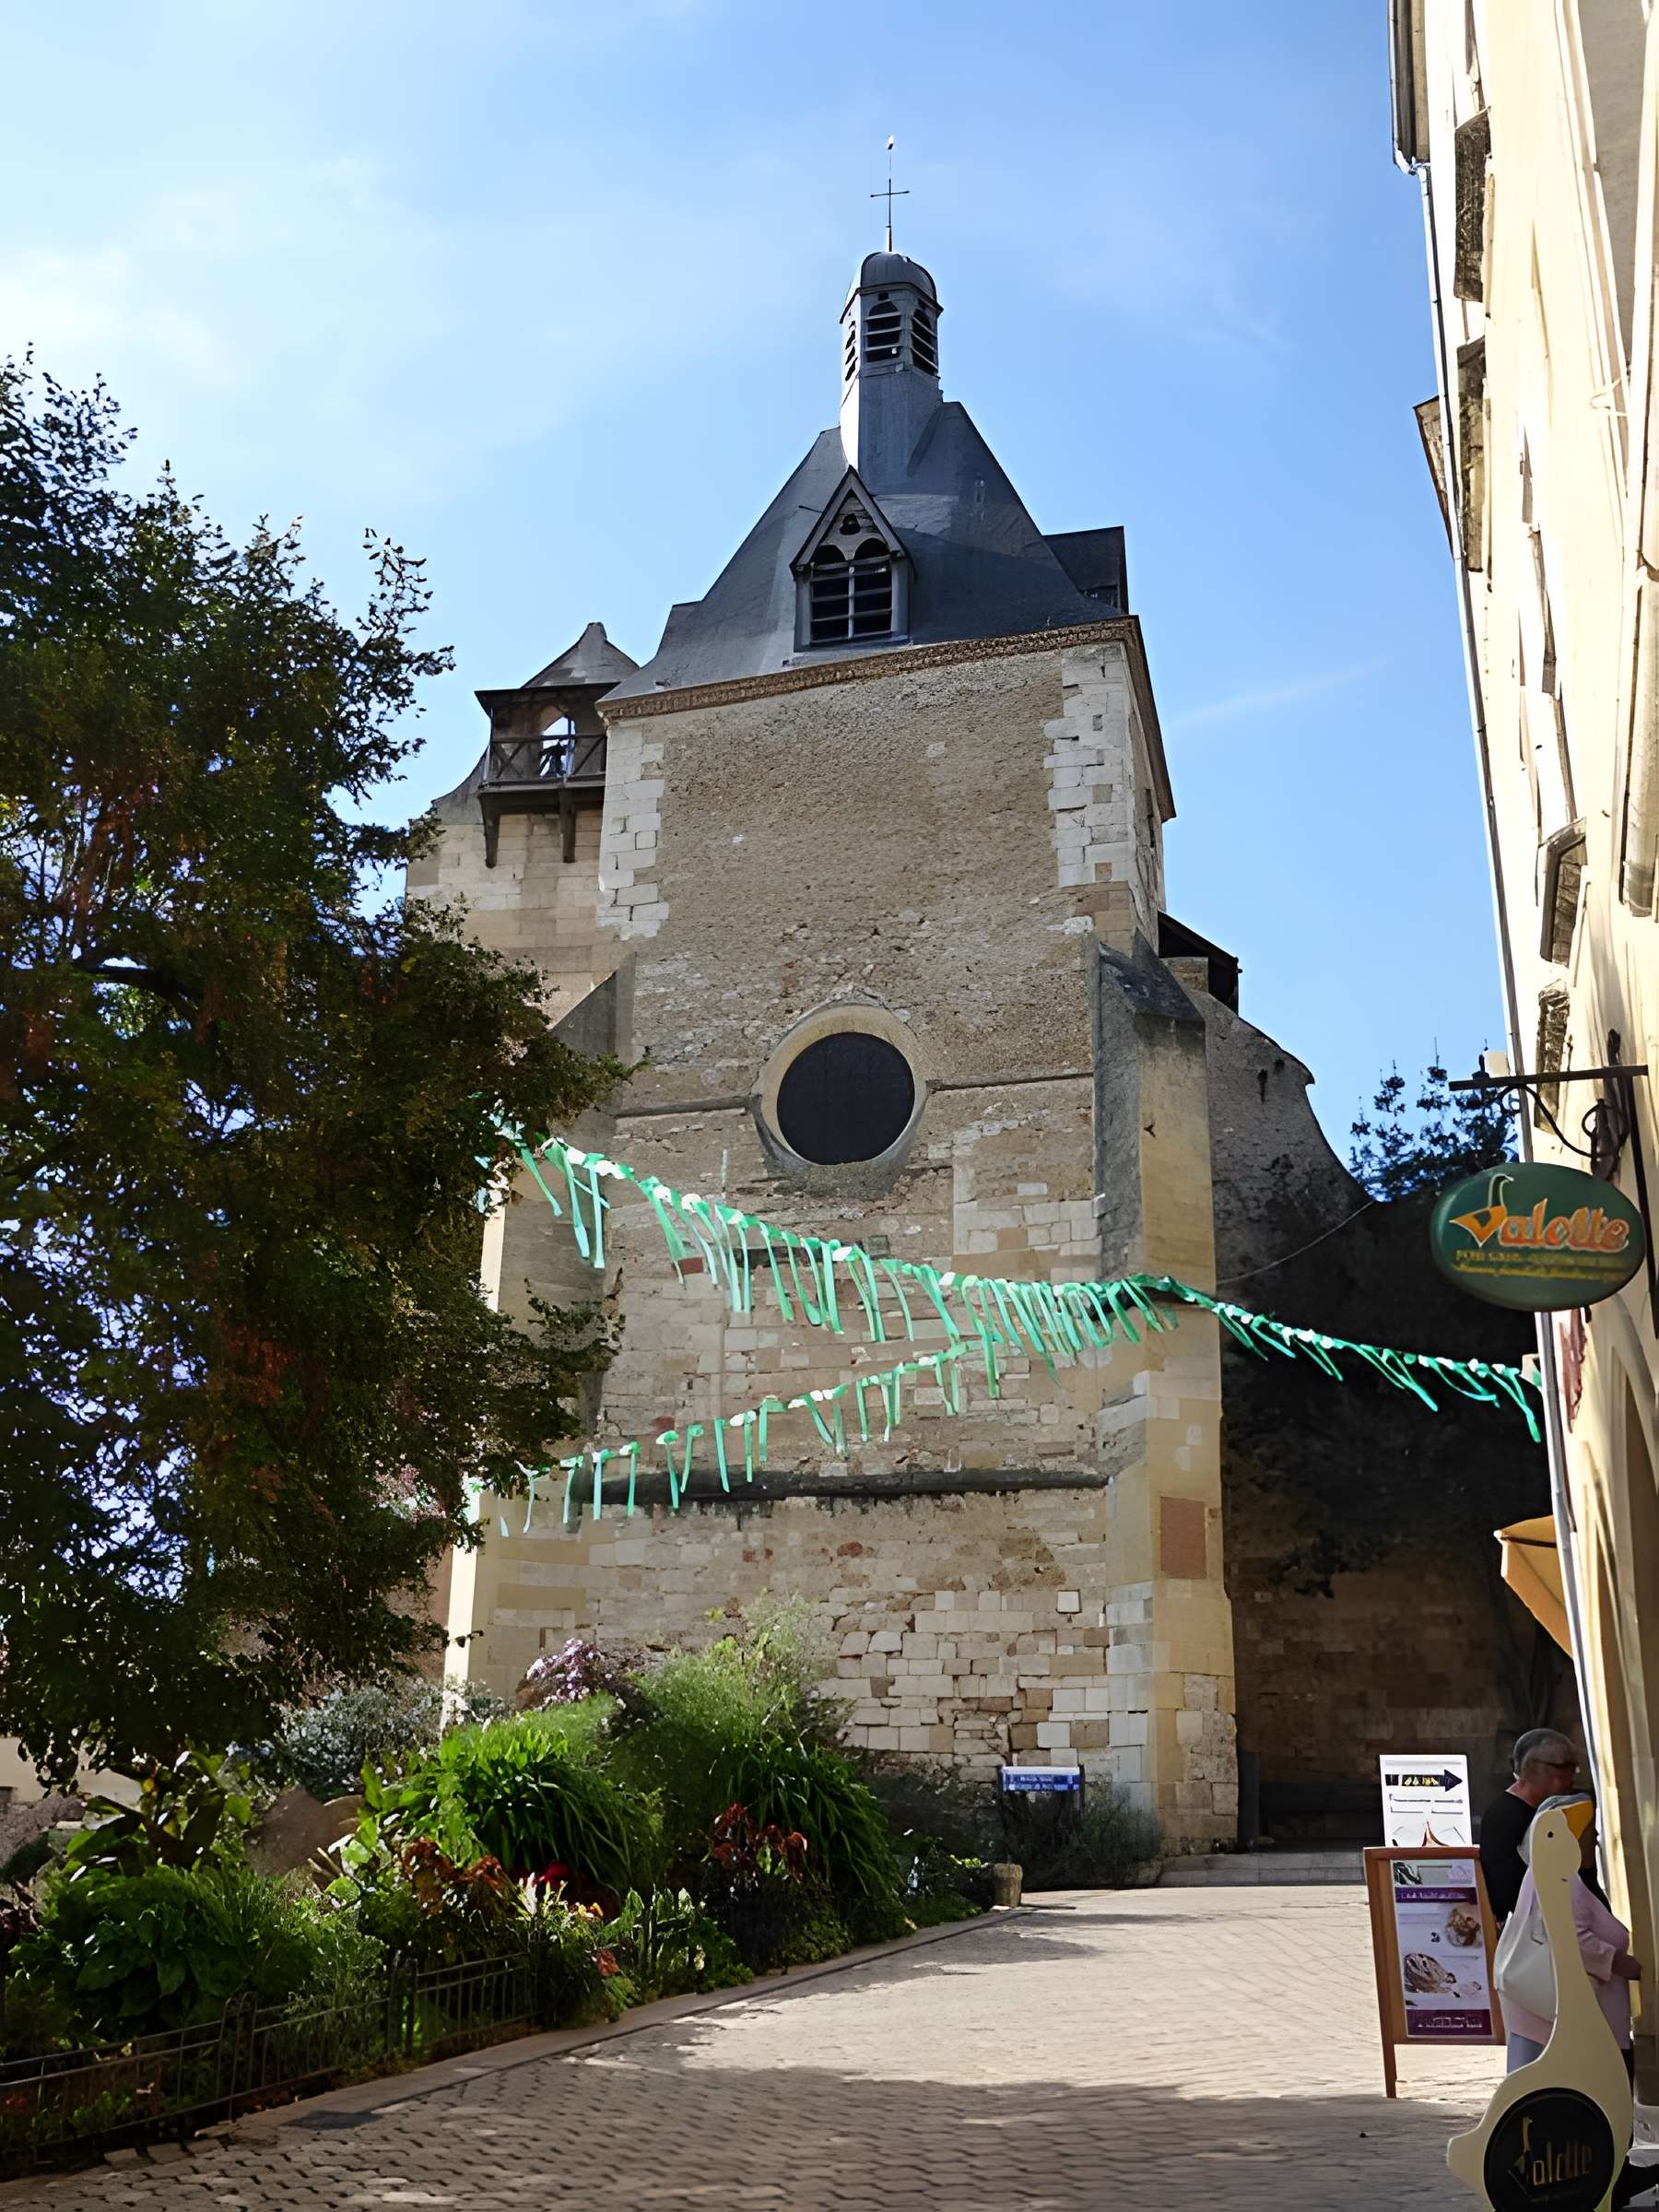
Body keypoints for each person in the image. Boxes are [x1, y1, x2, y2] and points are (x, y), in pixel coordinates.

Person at [1503, 1792, 1653, 2207]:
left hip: (1580, 2013)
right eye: (1588, 1832)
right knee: (1605, 2095)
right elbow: (1571, 1937)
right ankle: (1605, 2178)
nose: (1595, 1838)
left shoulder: (1554, 1874)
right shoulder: (1559, 1879)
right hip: (1590, 2013)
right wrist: (1618, 1962)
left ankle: (1611, 2175)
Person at [1479, 1728, 1579, 1922]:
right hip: (1528, 1930)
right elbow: (1504, 1892)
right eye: (1564, 1774)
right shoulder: (1505, 1816)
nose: (1571, 1782)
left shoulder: (1548, 1809)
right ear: (1538, 1769)